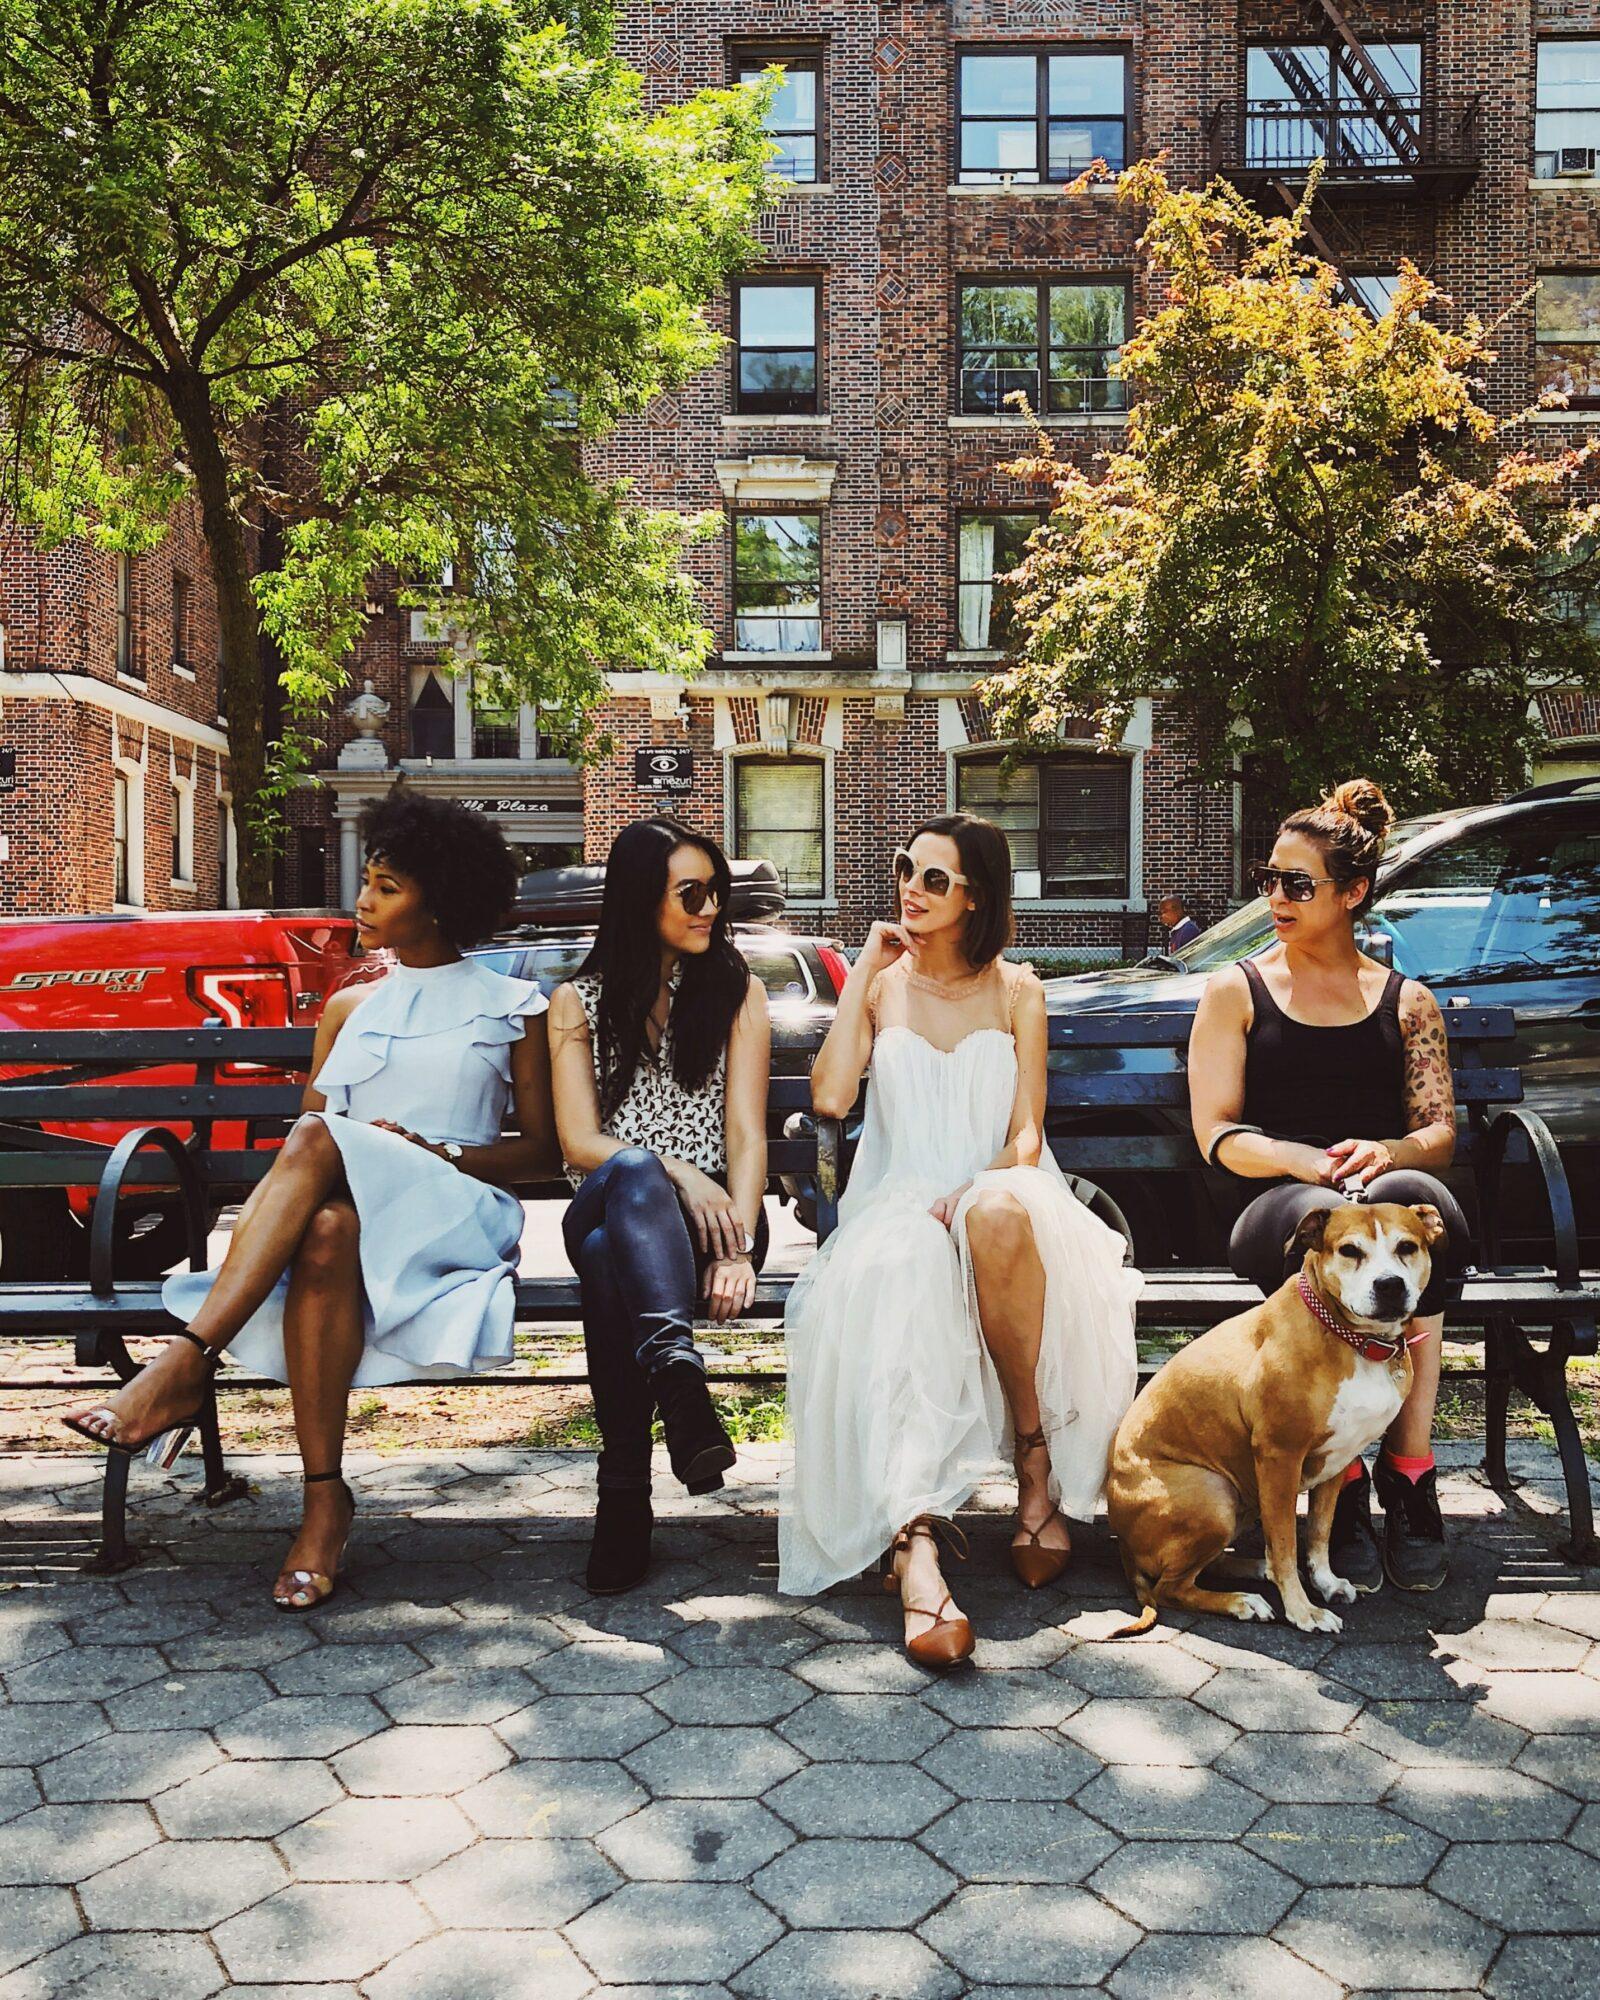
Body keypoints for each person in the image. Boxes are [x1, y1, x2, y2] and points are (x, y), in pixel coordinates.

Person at [63, 790, 555, 1609]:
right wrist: (369, 1153)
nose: (363, 900)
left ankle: (186, 1362)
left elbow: (540, 1152)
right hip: (356, 1216)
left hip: (454, 1213)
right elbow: (313, 1157)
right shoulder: (350, 1006)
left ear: (441, 900)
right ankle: (324, 1501)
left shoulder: (512, 1005)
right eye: (368, 880)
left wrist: (433, 1150)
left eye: (388, 885)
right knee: (324, 1224)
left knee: (319, 1137)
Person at [780, 815, 1141, 1667]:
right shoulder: (881, 986)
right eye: (908, 869)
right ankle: (917, 1547)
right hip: (896, 1202)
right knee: (905, 1261)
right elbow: (831, 1099)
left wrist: (976, 1184)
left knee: (998, 1213)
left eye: (935, 878)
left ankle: (1035, 1467)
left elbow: (1027, 1133)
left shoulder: (1019, 991)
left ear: (976, 895)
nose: (912, 887)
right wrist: (868, 964)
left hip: (997, 1185)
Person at [1188, 778, 1467, 1593]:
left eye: (1297, 884)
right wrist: (1302, 1159)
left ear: (1352, 893)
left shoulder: (1404, 1001)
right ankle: (1335, 1482)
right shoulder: (1235, 991)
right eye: (1269, 878)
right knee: (1325, 1220)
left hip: (1379, 1198)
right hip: (1273, 1198)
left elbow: (1439, 1132)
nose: (1276, 896)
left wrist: (1388, 1149)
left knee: (1431, 1212)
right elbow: (1217, 1134)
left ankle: (1408, 1473)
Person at [549, 817, 770, 1595]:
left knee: (615, 1260)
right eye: (690, 894)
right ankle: (677, 1375)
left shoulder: (738, 992)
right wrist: (677, 1169)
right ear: (642, 900)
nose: (709, 908)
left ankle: (625, 1494)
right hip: (612, 1196)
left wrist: (738, 1244)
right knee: (632, 1178)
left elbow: (745, 1134)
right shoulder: (579, 1001)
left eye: (714, 892)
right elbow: (580, 1143)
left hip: (715, 1228)